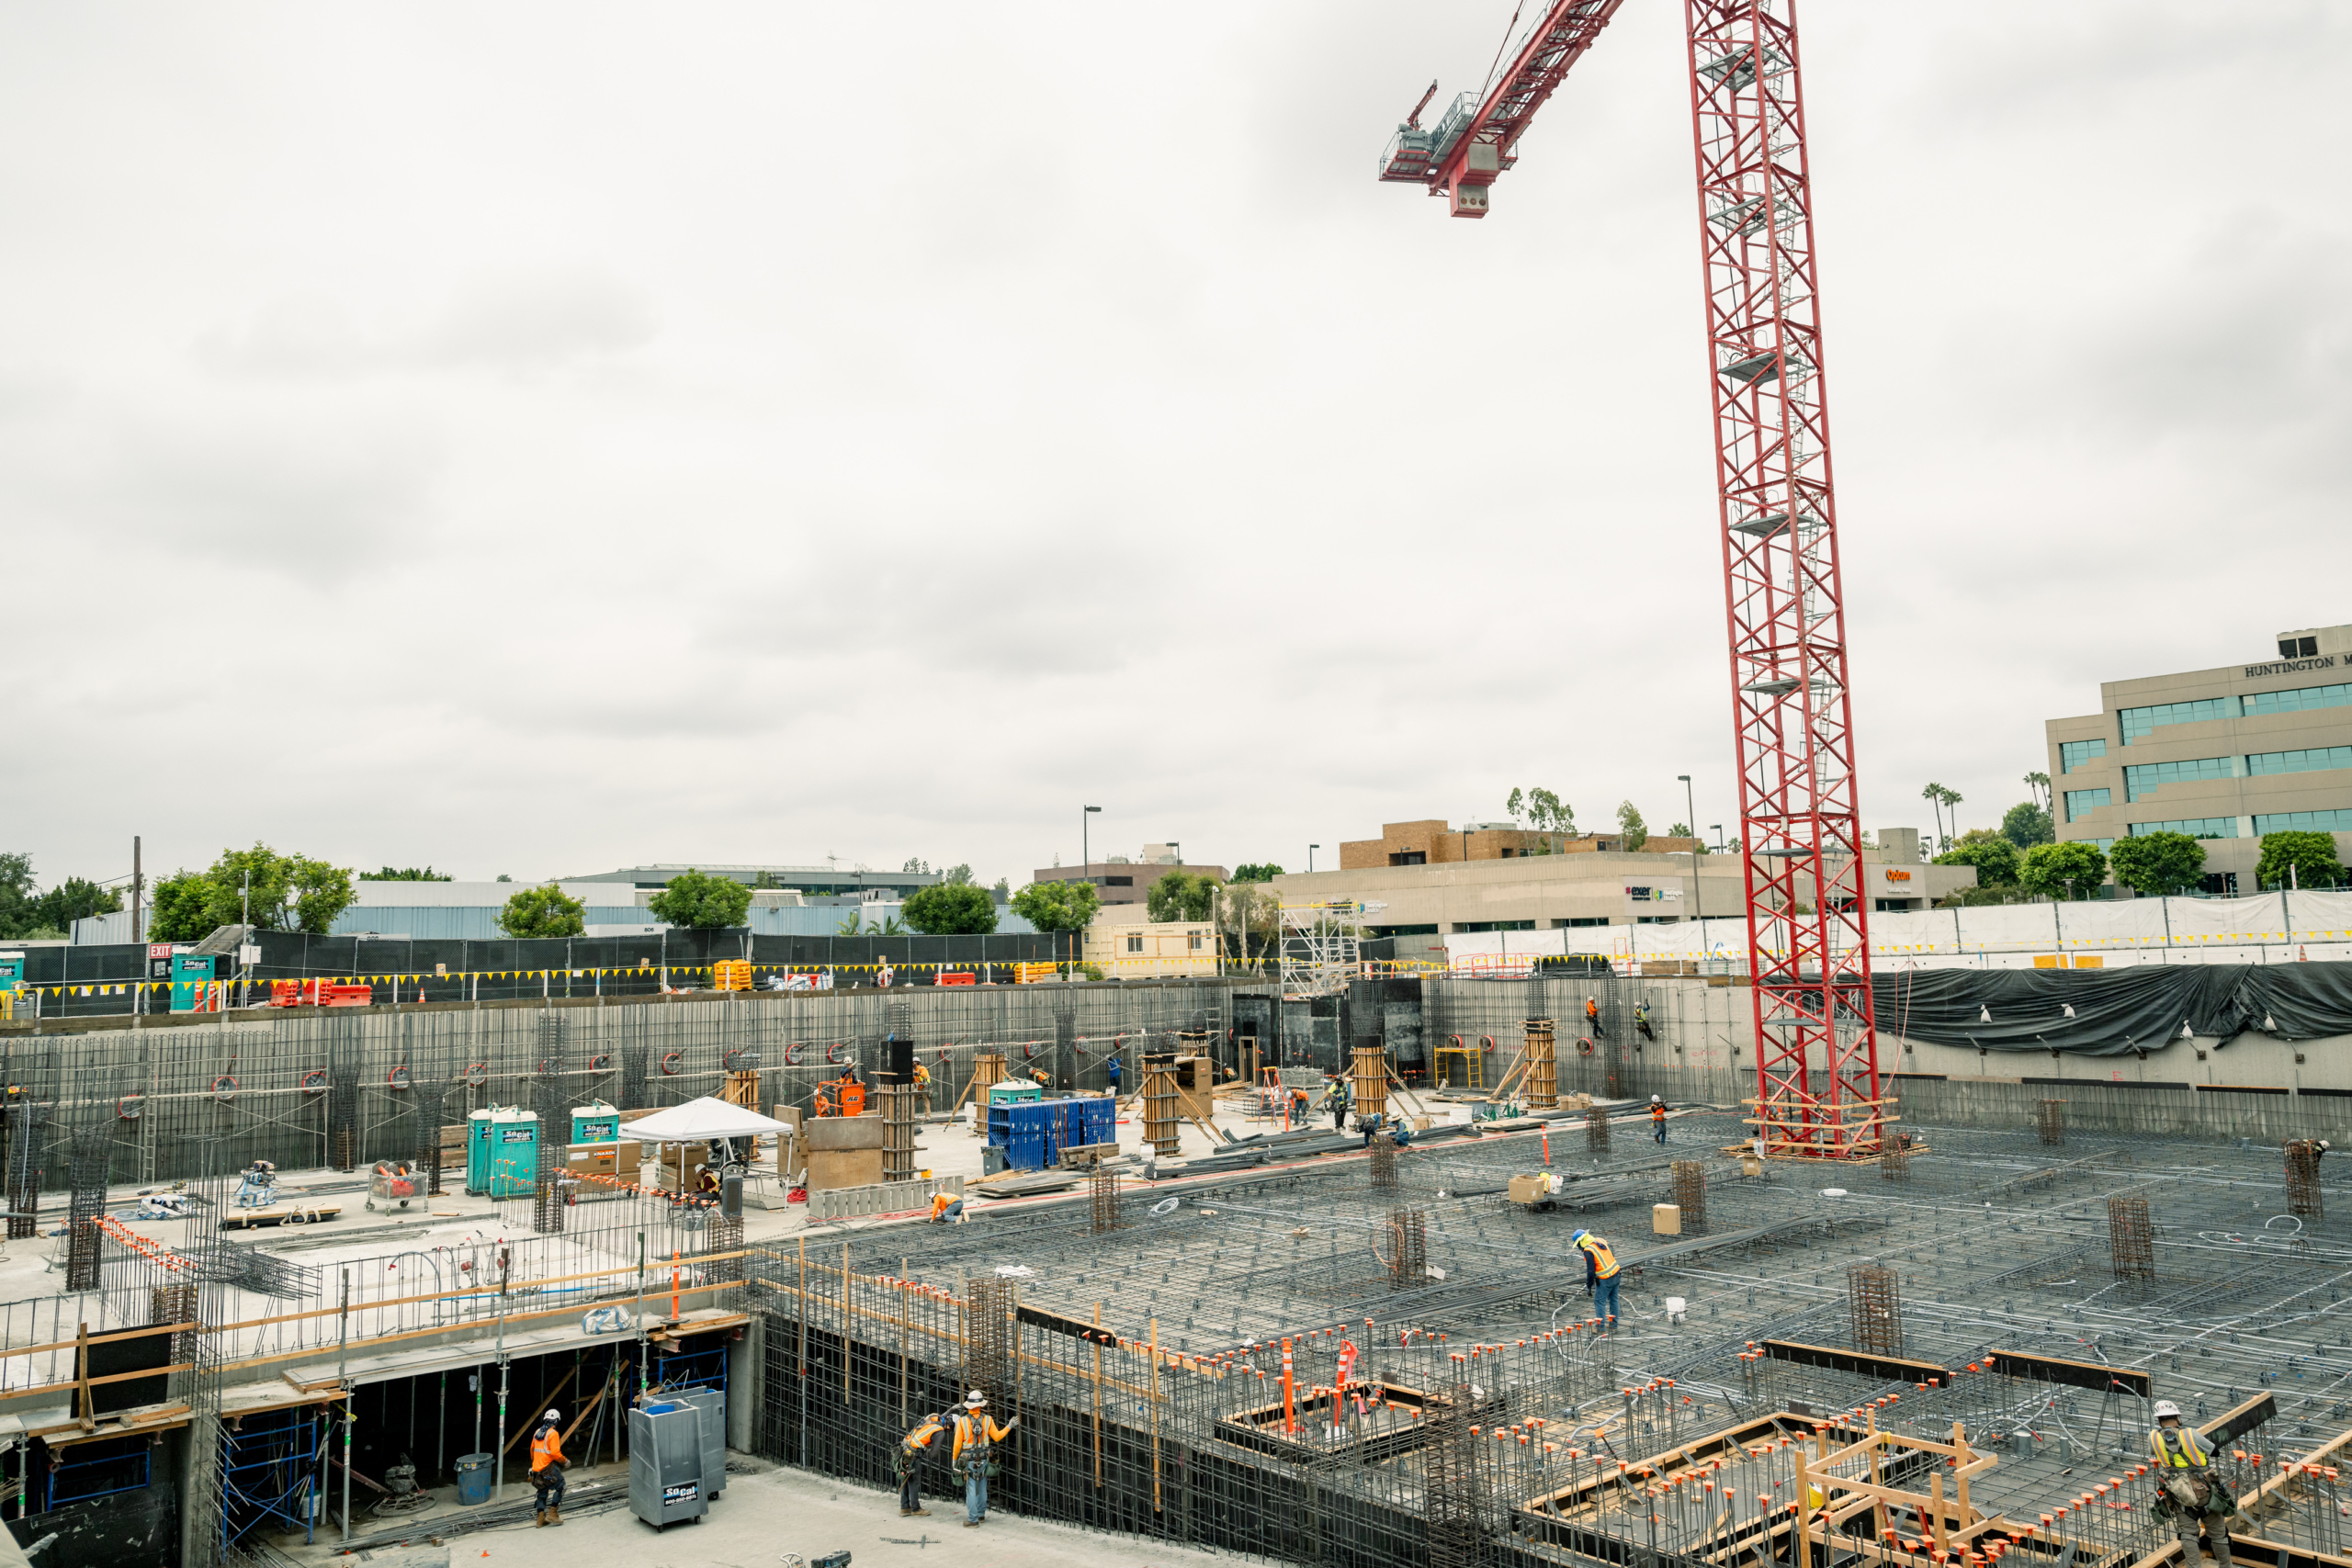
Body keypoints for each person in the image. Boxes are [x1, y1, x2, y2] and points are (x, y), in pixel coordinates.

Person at [2150, 1398, 2234, 1566]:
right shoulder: (2190, 1434)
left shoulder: (2153, 1437)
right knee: (2218, 1533)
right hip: (2204, 1490)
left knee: (2188, 1534)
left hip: (2178, 1491)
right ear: (2177, 1417)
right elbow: (2214, 1451)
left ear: (2159, 1420)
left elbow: (2157, 1452)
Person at [950, 1390, 1018, 1527]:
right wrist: (1009, 1426)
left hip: (968, 1460)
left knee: (971, 1489)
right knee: (982, 1486)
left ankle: (973, 1519)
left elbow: (957, 1444)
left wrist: (954, 1460)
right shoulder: (988, 1419)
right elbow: (997, 1437)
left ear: (969, 1405)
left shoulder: (963, 1421)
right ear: (981, 1405)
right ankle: (981, 1515)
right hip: (983, 1459)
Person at [896, 1411, 945, 1516]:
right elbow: (933, 1454)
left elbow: (942, 1417)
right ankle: (915, 1509)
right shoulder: (939, 1430)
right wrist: (927, 1452)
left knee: (905, 1477)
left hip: (904, 1448)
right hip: (914, 1454)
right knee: (913, 1481)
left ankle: (904, 1507)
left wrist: (952, 1408)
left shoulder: (930, 1419)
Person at [1573, 1229, 1622, 1334]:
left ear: (1581, 1242)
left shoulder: (1588, 1250)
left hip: (1605, 1279)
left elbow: (1591, 1271)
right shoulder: (1599, 1240)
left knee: (1599, 1302)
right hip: (1616, 1273)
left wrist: (1589, 1286)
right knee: (1614, 1300)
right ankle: (1614, 1325)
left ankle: (1600, 1328)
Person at [529, 1408, 566, 1527]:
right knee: (561, 1485)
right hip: (547, 1469)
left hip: (536, 1469)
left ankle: (540, 1519)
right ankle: (552, 1513)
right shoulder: (553, 1433)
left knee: (542, 1490)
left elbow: (532, 1450)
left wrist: (535, 1463)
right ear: (556, 1421)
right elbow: (555, 1453)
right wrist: (565, 1461)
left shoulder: (537, 1432)